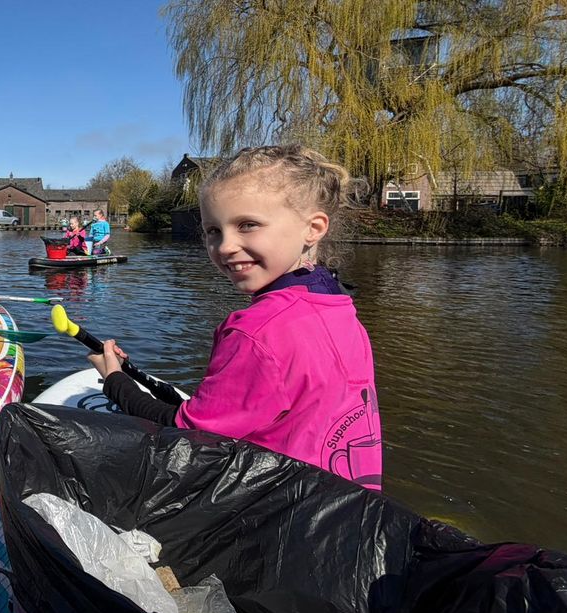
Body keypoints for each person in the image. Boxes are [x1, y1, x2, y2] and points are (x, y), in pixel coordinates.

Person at [86, 145, 382, 490]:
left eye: (248, 225)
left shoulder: (257, 331)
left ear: (313, 228)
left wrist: (115, 380)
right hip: (348, 510)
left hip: (279, 520)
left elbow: (189, 435)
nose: (225, 246)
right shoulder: (340, 307)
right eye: (213, 231)